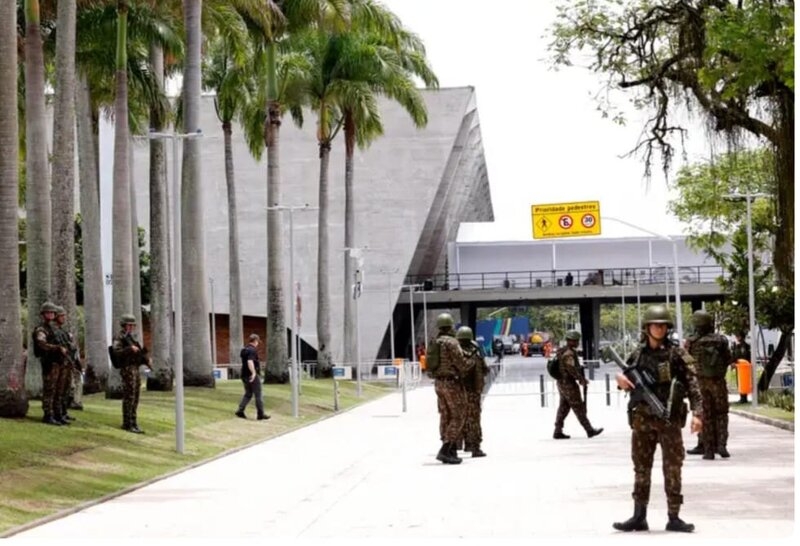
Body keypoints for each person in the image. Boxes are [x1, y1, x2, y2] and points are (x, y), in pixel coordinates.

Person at [613, 304, 703, 533]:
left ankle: (674, 517)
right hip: (642, 421)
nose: (659, 329)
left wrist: (698, 414)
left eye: (663, 325)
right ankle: (638, 516)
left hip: (669, 421)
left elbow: (693, 385)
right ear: (647, 328)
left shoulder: (676, 354)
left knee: (673, 468)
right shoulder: (637, 354)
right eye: (655, 325)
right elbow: (626, 379)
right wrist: (620, 382)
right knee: (641, 468)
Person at [684, 310, 734, 459]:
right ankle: (722, 445)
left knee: (705, 415)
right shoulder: (721, 340)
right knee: (721, 414)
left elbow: (686, 363)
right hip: (718, 382)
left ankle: (708, 449)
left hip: (700, 383)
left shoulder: (691, 342)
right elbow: (728, 359)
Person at [429, 313, 471, 464]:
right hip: (452, 383)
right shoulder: (452, 343)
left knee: (445, 415)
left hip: (439, 383)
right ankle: (446, 448)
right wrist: (470, 362)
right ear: (451, 326)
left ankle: (450, 448)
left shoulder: (436, 342)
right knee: (459, 415)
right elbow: (462, 364)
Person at [553, 330, 603, 439]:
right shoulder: (569, 353)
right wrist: (581, 379)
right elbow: (571, 368)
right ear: (571, 341)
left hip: (562, 383)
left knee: (564, 408)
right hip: (568, 384)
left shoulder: (563, 351)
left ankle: (557, 430)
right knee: (578, 407)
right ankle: (589, 430)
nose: (577, 343)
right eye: (576, 341)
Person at [111, 314, 151, 433]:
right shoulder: (119, 337)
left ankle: (133, 421)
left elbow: (139, 353)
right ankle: (127, 422)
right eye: (129, 325)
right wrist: (130, 349)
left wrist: (146, 360)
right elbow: (116, 352)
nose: (131, 327)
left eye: (132, 325)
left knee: (136, 395)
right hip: (127, 369)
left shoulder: (131, 338)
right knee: (129, 395)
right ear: (124, 325)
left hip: (135, 368)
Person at [31, 301, 68, 425]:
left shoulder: (54, 329)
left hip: (59, 362)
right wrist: (57, 348)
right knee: (49, 390)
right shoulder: (41, 329)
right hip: (49, 362)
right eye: (48, 312)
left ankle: (57, 414)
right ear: (43, 314)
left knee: (58, 390)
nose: (51, 315)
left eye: (53, 312)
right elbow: (41, 344)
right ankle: (48, 414)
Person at [456, 326, 490, 458]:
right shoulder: (475, 354)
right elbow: (485, 370)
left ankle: (457, 444)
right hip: (473, 392)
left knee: (458, 417)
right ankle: (474, 446)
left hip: (458, 391)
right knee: (474, 419)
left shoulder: (455, 353)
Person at [53, 306, 82, 422]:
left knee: (66, 389)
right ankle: (58, 413)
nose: (63, 318)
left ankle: (64, 412)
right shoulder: (54, 330)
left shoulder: (64, 331)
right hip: (61, 363)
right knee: (59, 390)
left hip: (68, 362)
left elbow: (70, 346)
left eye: (64, 315)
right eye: (61, 315)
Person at [235, 334, 270, 421]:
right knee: (258, 394)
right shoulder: (252, 350)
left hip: (244, 374)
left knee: (248, 394)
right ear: (255, 341)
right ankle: (260, 414)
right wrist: (254, 373)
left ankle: (240, 410)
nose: (258, 343)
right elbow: (250, 362)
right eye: (258, 342)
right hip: (251, 375)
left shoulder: (244, 349)